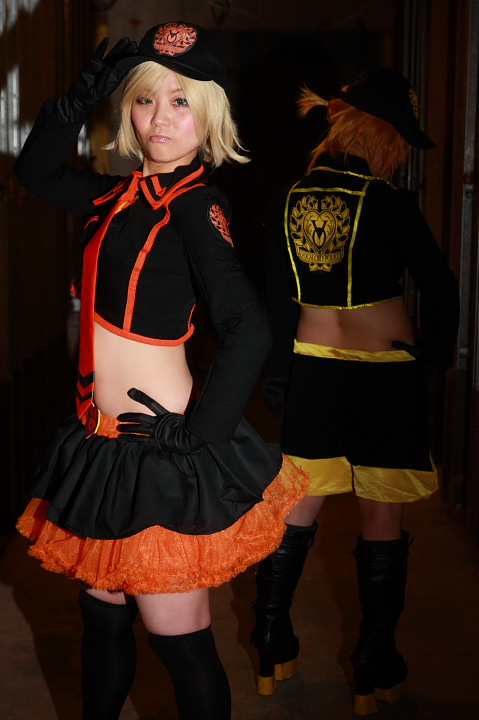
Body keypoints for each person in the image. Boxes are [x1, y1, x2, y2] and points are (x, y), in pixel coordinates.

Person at [15, 22, 308, 720]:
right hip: (101, 442)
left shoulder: (195, 205)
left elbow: (249, 329)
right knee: (102, 621)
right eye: (145, 100)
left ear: (209, 116)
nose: (159, 119)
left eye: (181, 102)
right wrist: (70, 105)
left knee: (178, 641)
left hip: (161, 451)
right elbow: (36, 175)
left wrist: (198, 435)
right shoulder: (117, 196)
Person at [251, 68, 459, 715]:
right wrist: (434, 358)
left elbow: (273, 295)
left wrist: (277, 372)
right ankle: (374, 660)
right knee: (381, 516)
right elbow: (440, 286)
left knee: (297, 507)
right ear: (380, 135)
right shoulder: (389, 202)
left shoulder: (287, 198)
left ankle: (270, 638)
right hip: (384, 371)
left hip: (312, 365)